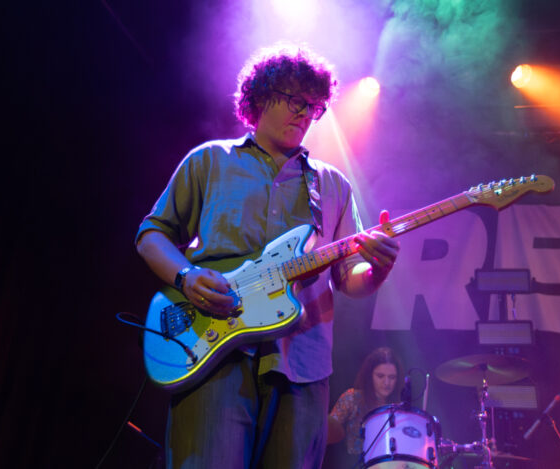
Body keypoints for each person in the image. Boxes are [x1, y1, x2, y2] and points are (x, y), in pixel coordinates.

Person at [135, 43, 400, 469]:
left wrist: (377, 269)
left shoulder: (333, 185)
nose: (305, 113)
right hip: (214, 354)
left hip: (303, 365)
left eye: (314, 106)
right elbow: (152, 234)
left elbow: (350, 278)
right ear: (260, 98)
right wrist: (186, 276)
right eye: (295, 100)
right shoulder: (210, 161)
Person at [326, 347, 405, 468]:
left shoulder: (399, 408)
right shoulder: (352, 398)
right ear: (370, 376)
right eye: (380, 376)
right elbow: (330, 429)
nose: (386, 382)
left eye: (392, 377)